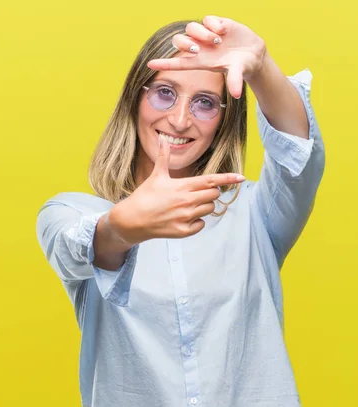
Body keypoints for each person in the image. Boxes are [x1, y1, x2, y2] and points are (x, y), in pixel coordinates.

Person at [36, 15, 324, 407]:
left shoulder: (255, 213)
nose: (180, 119)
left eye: (205, 102)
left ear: (224, 120)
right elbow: (81, 248)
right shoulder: (71, 212)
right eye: (165, 93)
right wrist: (124, 226)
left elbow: (298, 156)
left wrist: (260, 65)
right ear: (134, 98)